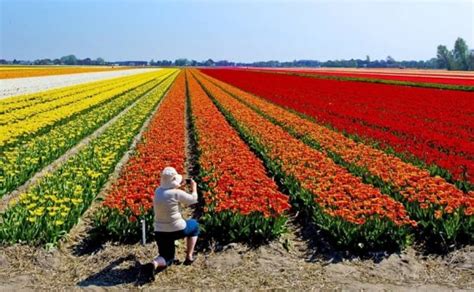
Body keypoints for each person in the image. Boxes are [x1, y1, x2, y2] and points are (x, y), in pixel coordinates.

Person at [142, 167, 199, 280]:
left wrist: (177, 185)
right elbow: (193, 199)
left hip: (160, 231)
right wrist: (194, 188)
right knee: (194, 226)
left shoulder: (157, 191)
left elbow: (168, 193)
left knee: (167, 257)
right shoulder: (176, 193)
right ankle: (189, 256)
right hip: (178, 229)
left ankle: (153, 264)